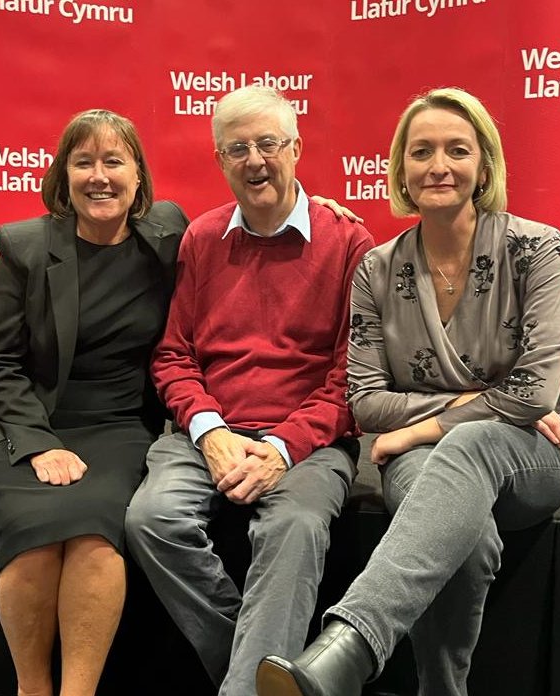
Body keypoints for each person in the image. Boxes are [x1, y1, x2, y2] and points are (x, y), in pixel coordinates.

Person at [256, 87, 560, 696]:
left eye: (457, 150)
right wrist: (473, 406)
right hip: (424, 456)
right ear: (401, 170)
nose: (439, 165)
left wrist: (417, 428)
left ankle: (349, 647)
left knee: (473, 445)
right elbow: (367, 402)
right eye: (422, 151)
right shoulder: (377, 270)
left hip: (532, 454)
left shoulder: (536, 249)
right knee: (469, 535)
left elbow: (538, 392)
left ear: (484, 165)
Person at [124, 85, 375, 696]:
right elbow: (175, 355)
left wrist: (283, 448)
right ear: (220, 159)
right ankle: (268, 672)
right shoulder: (202, 239)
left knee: (293, 529)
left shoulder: (349, 243)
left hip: (308, 441)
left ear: (297, 147)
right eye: (238, 148)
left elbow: (351, 381)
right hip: (208, 431)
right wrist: (210, 433)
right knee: (150, 519)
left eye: (269, 143)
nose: (256, 160)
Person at [0, 108, 188, 696]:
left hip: (116, 425)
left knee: (91, 535)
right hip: (22, 420)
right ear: (63, 176)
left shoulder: (167, 233)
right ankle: (32, 689)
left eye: (114, 161)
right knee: (34, 533)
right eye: (83, 162)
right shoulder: (25, 246)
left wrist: (320, 209)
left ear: (139, 177)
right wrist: (37, 445)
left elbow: (251, 222)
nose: (99, 176)